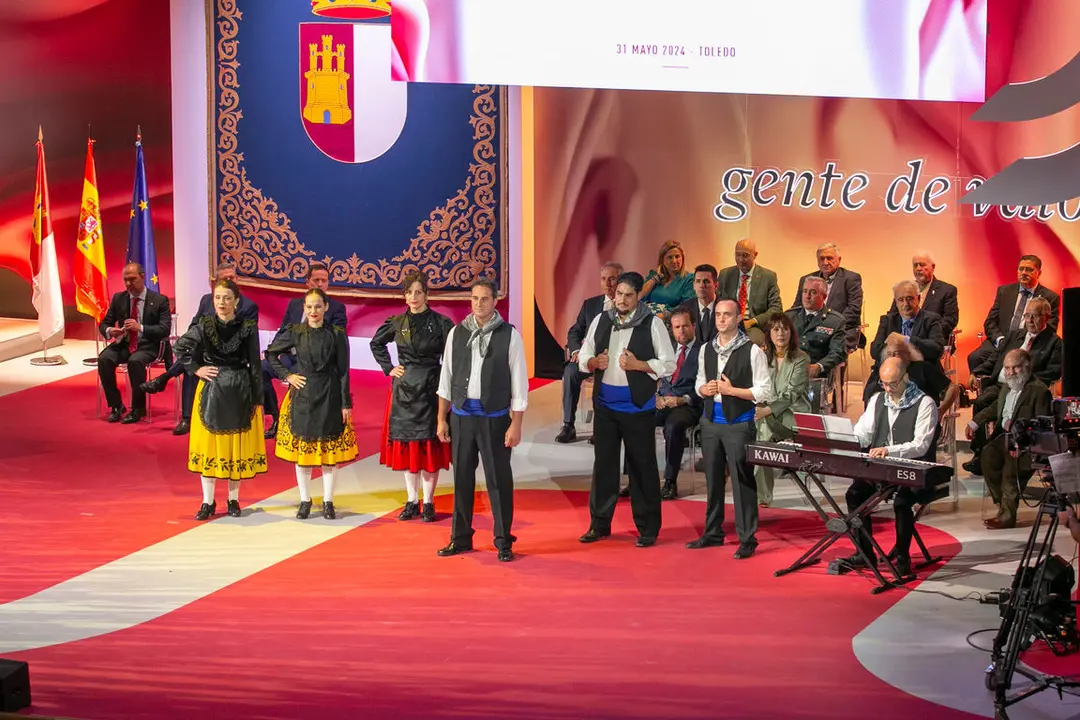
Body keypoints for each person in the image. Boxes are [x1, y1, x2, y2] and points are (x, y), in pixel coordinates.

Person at [577, 271, 676, 547]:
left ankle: (647, 528)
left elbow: (669, 364)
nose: (621, 299)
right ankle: (599, 525)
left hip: (637, 408)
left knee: (641, 468)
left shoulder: (651, 324)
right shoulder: (601, 319)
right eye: (619, 294)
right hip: (606, 407)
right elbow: (583, 356)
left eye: (628, 295)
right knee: (604, 467)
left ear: (637, 297)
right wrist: (594, 362)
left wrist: (640, 365)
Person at [435, 279, 528, 562]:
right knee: (462, 479)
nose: (479, 304)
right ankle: (460, 538)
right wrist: (442, 418)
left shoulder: (509, 336)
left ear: (495, 301)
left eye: (485, 299)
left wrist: (516, 423)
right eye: (475, 299)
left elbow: (519, 383)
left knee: (498, 481)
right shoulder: (457, 333)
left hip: (495, 419)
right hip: (462, 418)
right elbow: (446, 379)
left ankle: (503, 540)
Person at [174, 279, 267, 520]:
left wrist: (258, 398)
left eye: (226, 298)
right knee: (210, 446)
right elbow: (181, 347)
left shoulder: (247, 327)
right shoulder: (204, 324)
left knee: (234, 447)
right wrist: (196, 369)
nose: (221, 303)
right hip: (211, 391)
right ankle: (207, 501)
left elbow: (255, 363)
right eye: (217, 298)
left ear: (236, 300)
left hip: (239, 389)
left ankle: (233, 499)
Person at [841, 356, 939, 576]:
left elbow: (920, 445)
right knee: (854, 494)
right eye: (884, 383)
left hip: (912, 467)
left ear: (905, 377)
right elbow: (863, 433)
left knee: (902, 502)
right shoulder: (878, 399)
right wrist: (845, 440)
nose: (888, 389)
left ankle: (903, 556)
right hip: (881, 467)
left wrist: (889, 450)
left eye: (893, 384)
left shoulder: (925, 404)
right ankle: (865, 554)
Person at [370, 270, 455, 521]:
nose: (414, 297)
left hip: (431, 389)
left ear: (427, 294)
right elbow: (376, 343)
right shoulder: (396, 323)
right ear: (404, 296)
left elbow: (454, 354)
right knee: (409, 447)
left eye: (418, 292)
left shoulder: (442, 324)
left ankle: (428, 502)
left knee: (429, 447)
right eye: (409, 292)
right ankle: (411, 501)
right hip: (404, 391)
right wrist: (389, 368)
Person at [692, 299, 774, 558]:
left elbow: (765, 391)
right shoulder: (706, 348)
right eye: (718, 314)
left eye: (727, 315)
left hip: (738, 423)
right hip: (710, 422)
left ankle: (747, 537)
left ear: (738, 318)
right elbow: (699, 382)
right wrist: (702, 389)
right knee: (713, 479)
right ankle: (712, 532)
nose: (721, 319)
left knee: (742, 481)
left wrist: (732, 391)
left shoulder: (752, 351)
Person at [266, 288, 358, 520]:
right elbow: (270, 354)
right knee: (303, 453)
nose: (313, 311)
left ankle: (328, 501)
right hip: (304, 394)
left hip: (330, 393)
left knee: (328, 454)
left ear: (326, 307)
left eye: (318, 306)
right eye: (309, 307)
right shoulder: (295, 332)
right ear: (304, 308)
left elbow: (344, 370)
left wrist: (345, 403)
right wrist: (288, 376)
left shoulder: (336, 334)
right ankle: (305, 500)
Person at [142, 263, 259, 435]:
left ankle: (166, 378)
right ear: (215, 283)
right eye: (224, 279)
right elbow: (195, 324)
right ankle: (187, 418)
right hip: (205, 351)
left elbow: (245, 338)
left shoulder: (248, 306)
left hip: (231, 356)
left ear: (237, 279)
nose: (229, 281)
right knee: (193, 362)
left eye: (232, 278)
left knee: (194, 358)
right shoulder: (207, 300)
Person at [964, 296, 1062, 475]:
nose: (1030, 320)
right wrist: (976, 372)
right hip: (1000, 384)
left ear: (1047, 317)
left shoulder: (1054, 343)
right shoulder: (1014, 335)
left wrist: (1025, 379)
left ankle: (995, 455)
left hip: (1025, 390)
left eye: (1035, 316)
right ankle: (979, 453)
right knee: (981, 402)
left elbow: (1054, 372)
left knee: (1007, 409)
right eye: (1027, 315)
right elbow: (995, 357)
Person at [967, 349, 1052, 529]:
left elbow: (1042, 425)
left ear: (1026, 367)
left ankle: (1007, 516)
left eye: (1015, 368)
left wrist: (1022, 443)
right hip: (1004, 437)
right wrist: (974, 422)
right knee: (987, 456)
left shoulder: (1039, 390)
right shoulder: (1006, 387)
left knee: (1009, 469)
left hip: (1026, 444)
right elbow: (997, 407)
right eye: (1007, 368)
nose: (1010, 373)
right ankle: (1002, 505)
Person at [262, 263, 348, 438]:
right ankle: (276, 417)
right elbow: (283, 330)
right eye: (316, 280)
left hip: (314, 361)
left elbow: (336, 344)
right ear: (307, 282)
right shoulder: (295, 304)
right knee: (260, 369)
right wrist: (274, 350)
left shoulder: (336, 308)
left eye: (323, 280)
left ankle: (297, 421)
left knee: (302, 381)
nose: (320, 284)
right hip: (289, 356)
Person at [636, 307, 701, 500]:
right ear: (671, 329)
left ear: (693, 326)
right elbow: (653, 374)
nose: (681, 331)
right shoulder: (666, 348)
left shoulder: (704, 351)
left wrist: (682, 399)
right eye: (677, 327)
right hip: (662, 399)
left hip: (688, 404)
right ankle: (635, 479)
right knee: (635, 419)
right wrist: (654, 395)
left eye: (685, 326)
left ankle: (670, 482)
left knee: (673, 426)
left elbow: (706, 386)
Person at [97, 262, 173, 424]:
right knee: (104, 359)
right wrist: (111, 330)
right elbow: (104, 324)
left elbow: (164, 329)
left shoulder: (159, 300)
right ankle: (116, 405)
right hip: (125, 344)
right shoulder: (119, 298)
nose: (128, 284)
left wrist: (141, 328)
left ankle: (138, 408)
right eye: (125, 280)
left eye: (132, 279)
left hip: (149, 345)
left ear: (142, 277)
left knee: (135, 361)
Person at [557, 261, 622, 444]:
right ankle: (568, 425)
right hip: (588, 357)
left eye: (612, 279)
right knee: (570, 371)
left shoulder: (627, 303)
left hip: (614, 361)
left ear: (620, 280)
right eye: (604, 279)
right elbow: (575, 330)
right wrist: (577, 350)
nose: (608, 284)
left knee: (605, 375)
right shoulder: (590, 304)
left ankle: (600, 428)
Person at [966, 254, 1060, 373]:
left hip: (1027, 344)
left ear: (1039, 273)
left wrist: (1024, 341)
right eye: (1021, 269)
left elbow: (1050, 328)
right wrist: (1000, 340)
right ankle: (987, 390)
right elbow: (990, 322)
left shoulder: (1049, 297)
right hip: (1000, 342)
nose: (1024, 272)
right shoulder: (1004, 291)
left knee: (1019, 363)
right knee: (975, 357)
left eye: (1029, 269)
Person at [754, 312, 811, 507]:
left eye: (785, 329)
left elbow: (792, 394)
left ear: (791, 332)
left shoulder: (801, 358)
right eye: (776, 329)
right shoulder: (762, 357)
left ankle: (762, 496)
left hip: (794, 417)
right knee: (755, 429)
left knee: (760, 427)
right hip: (767, 415)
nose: (781, 334)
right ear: (769, 333)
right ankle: (760, 494)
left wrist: (765, 410)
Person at [864, 280, 945, 405]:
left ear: (918, 299)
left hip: (920, 374)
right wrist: (895, 350)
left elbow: (937, 349)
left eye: (910, 299)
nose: (905, 304)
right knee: (872, 392)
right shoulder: (887, 320)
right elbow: (875, 350)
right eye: (900, 300)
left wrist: (906, 340)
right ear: (895, 302)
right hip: (890, 373)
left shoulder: (931, 319)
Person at [789, 243, 864, 352]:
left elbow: (854, 310)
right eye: (821, 259)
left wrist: (828, 325)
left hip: (842, 329)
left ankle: (825, 368)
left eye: (829, 258)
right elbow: (797, 307)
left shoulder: (851, 279)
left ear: (839, 259)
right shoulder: (806, 279)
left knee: (829, 352)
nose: (825, 262)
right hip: (810, 329)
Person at [717, 238, 783, 346]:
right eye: (737, 255)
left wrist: (752, 322)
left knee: (752, 345)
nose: (740, 259)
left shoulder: (768, 277)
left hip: (753, 326)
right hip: (728, 323)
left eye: (745, 255)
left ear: (755, 255)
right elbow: (718, 302)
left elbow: (776, 309)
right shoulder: (725, 275)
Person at [888, 252, 959, 340]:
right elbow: (892, 317)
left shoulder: (947, 290)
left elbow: (950, 321)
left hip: (933, 341)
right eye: (915, 265)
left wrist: (920, 335)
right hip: (904, 341)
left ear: (933, 267)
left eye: (922, 265)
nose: (918, 268)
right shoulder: (903, 290)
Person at [640, 240, 695, 315]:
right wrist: (655, 279)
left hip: (671, 319)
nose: (674, 261)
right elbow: (639, 297)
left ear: (682, 258)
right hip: (647, 316)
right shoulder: (654, 276)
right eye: (670, 257)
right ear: (662, 260)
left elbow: (687, 306)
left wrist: (665, 315)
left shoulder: (689, 279)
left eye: (677, 256)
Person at [677, 263, 720, 345]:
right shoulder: (685, 308)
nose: (701, 285)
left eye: (706, 281)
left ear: (716, 285)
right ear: (693, 285)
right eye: (698, 281)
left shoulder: (728, 307)